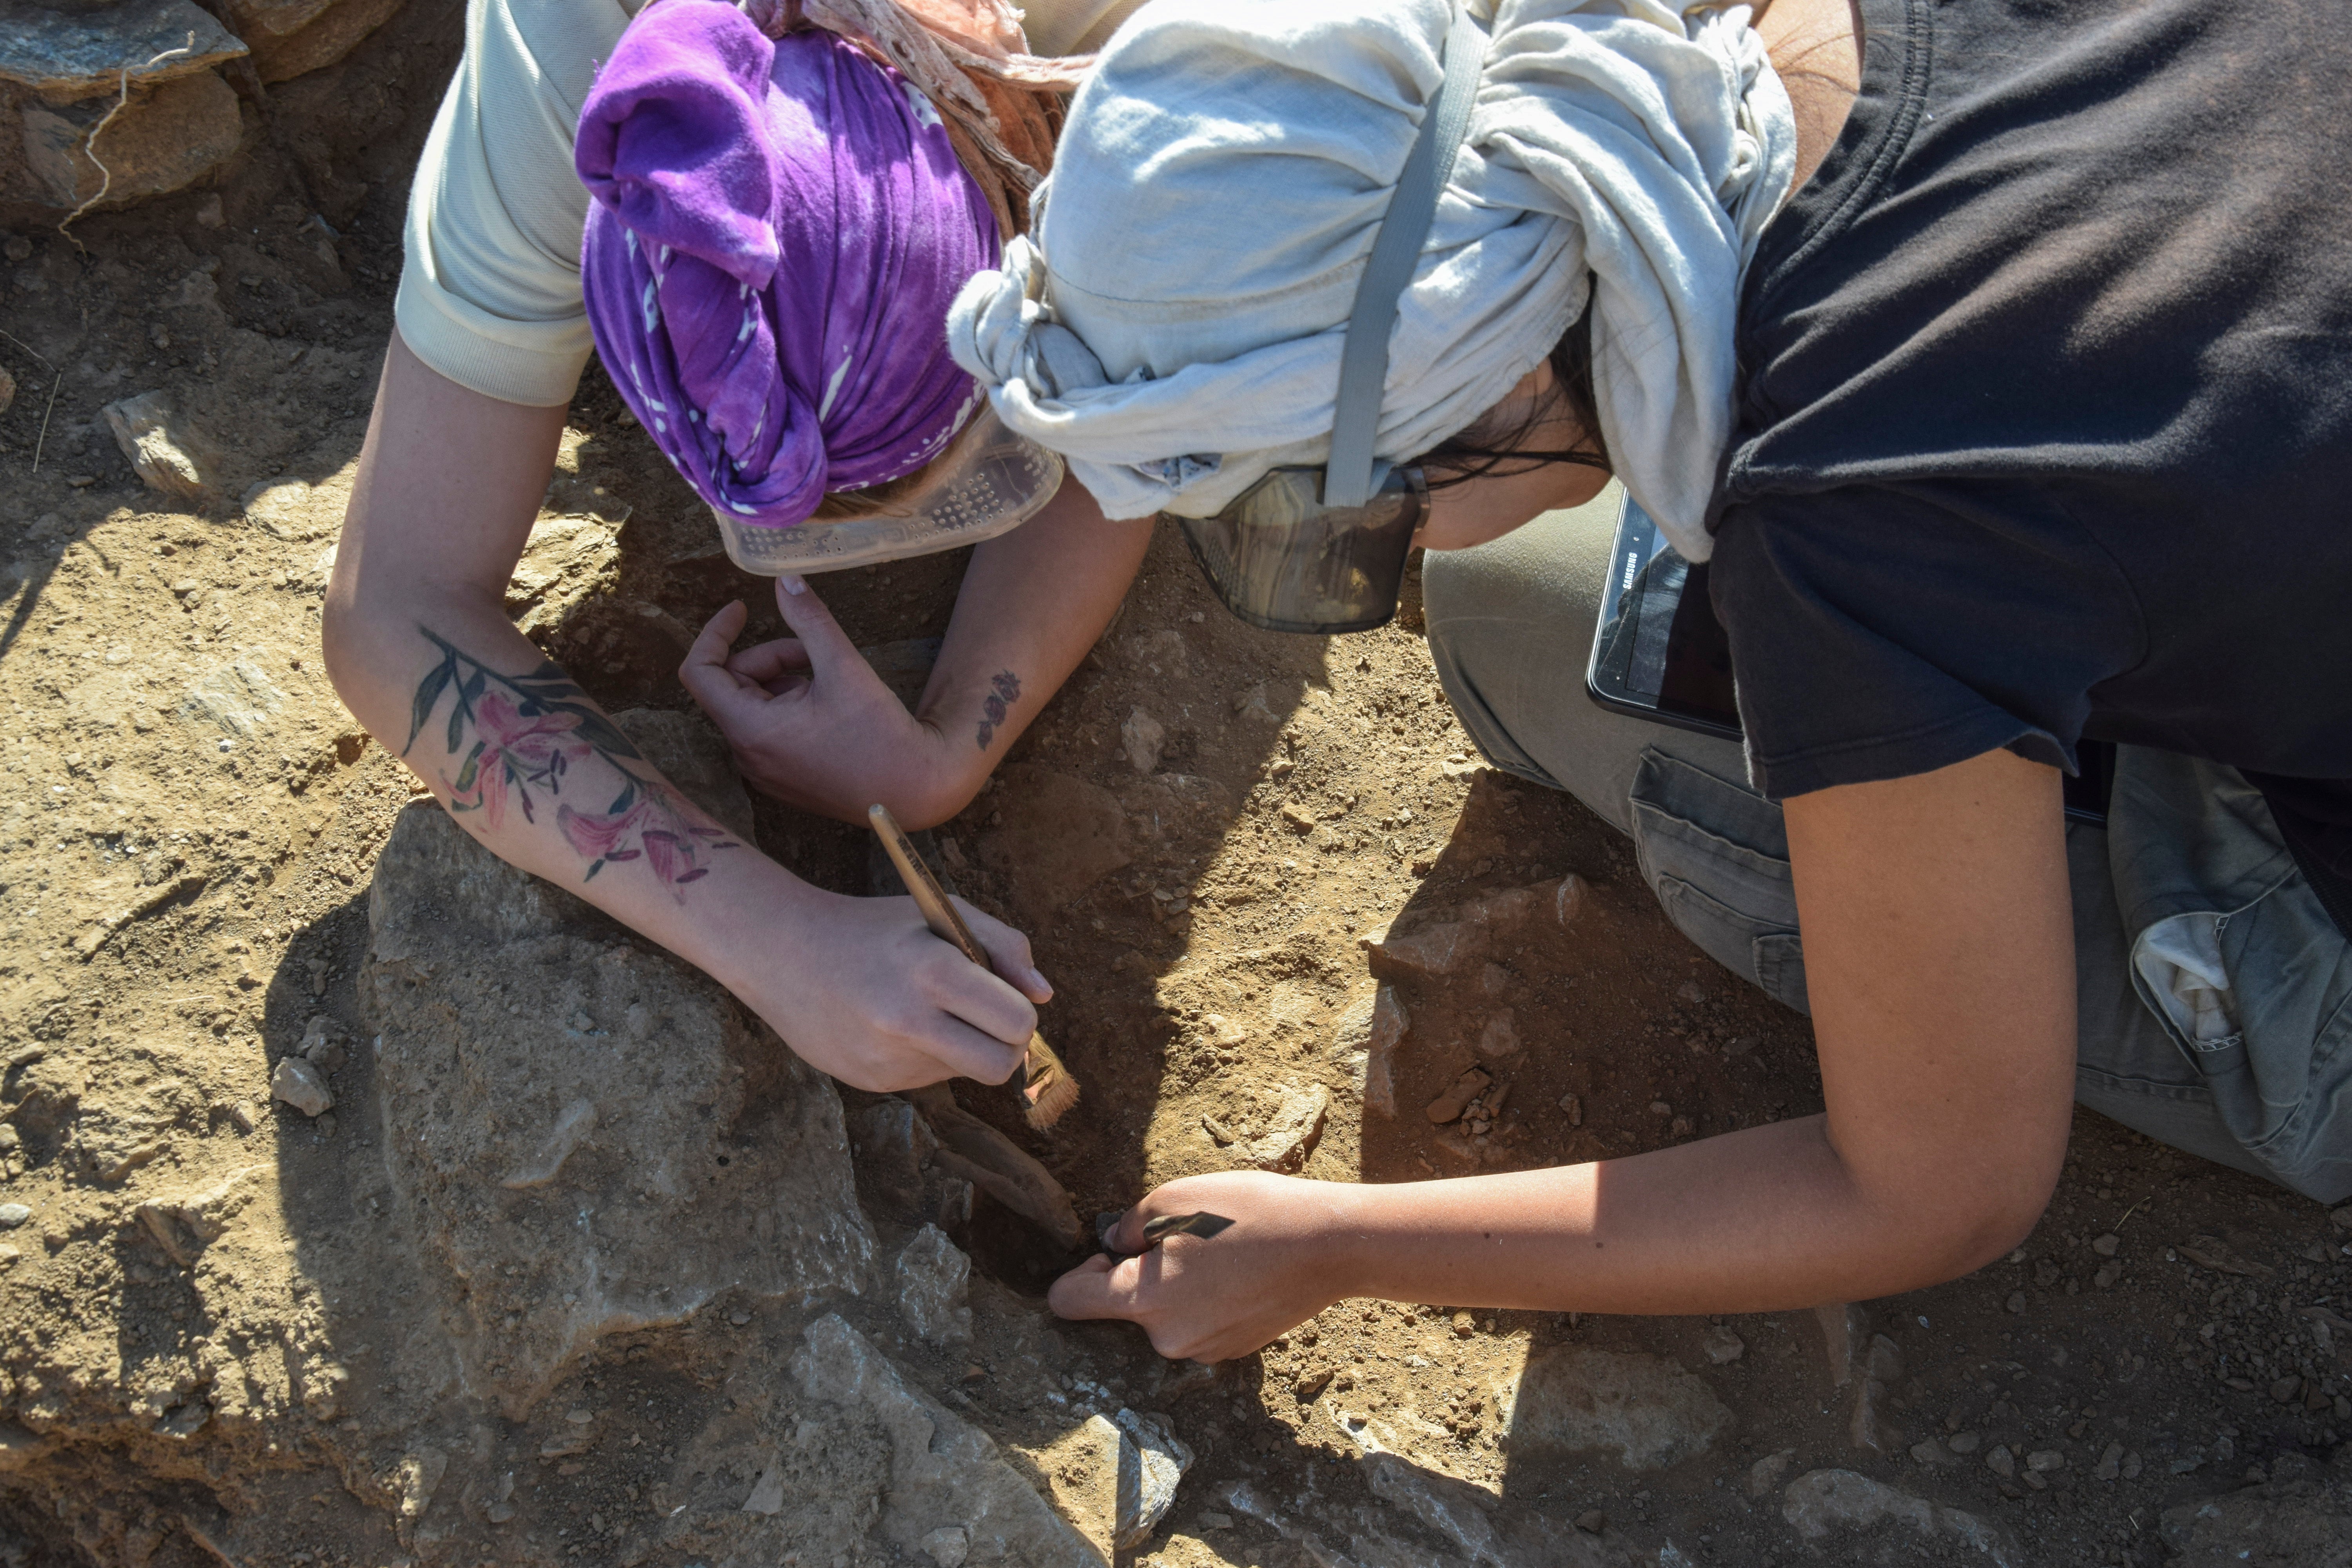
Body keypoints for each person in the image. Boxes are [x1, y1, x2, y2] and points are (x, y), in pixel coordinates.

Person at [903, 0, 2352, 1359]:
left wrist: (1334, 1248)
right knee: (1525, 602)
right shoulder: (1734, 54)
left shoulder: (1848, 533)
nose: (1378, 557)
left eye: (1322, 524)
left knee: (1523, 631)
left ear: (1477, 399)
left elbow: (1937, 1191)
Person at [323, 0, 1161, 1093]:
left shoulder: (1145, 59)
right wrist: (781, 942)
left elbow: (1141, 433)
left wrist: (952, 748)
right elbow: (393, 607)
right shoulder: (567, 78)